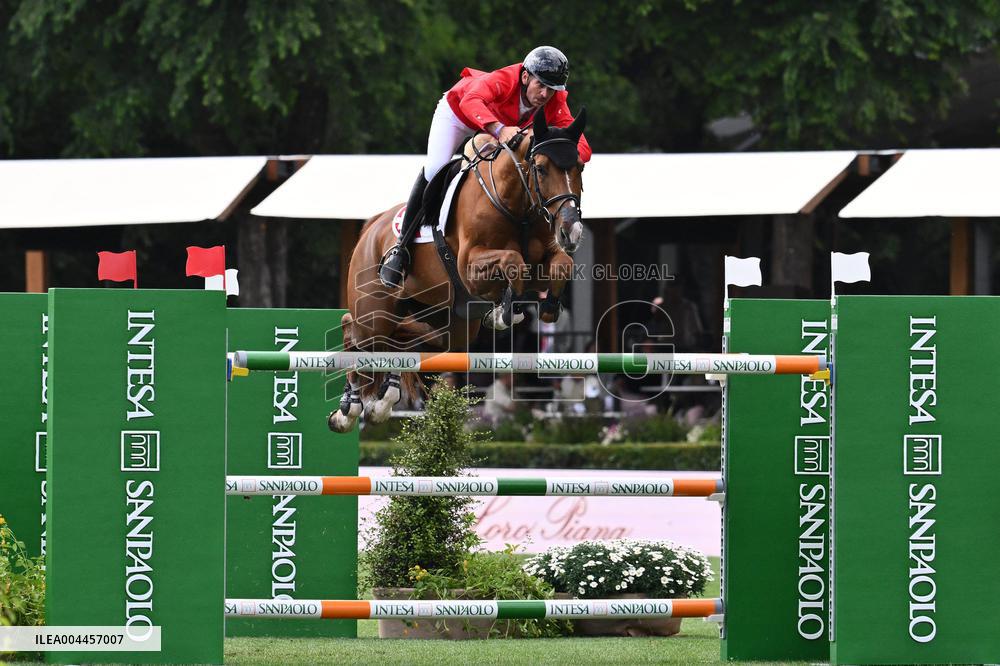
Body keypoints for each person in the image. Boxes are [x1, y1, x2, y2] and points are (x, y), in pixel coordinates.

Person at [379, 46, 593, 289]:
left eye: (551, 89)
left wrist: (563, 152)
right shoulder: (503, 80)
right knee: (435, 168)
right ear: (525, 77)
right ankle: (401, 248)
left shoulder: (555, 100)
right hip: (459, 116)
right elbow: (470, 101)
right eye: (540, 85)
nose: (545, 94)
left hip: (500, 129)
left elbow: (582, 147)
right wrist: (499, 130)